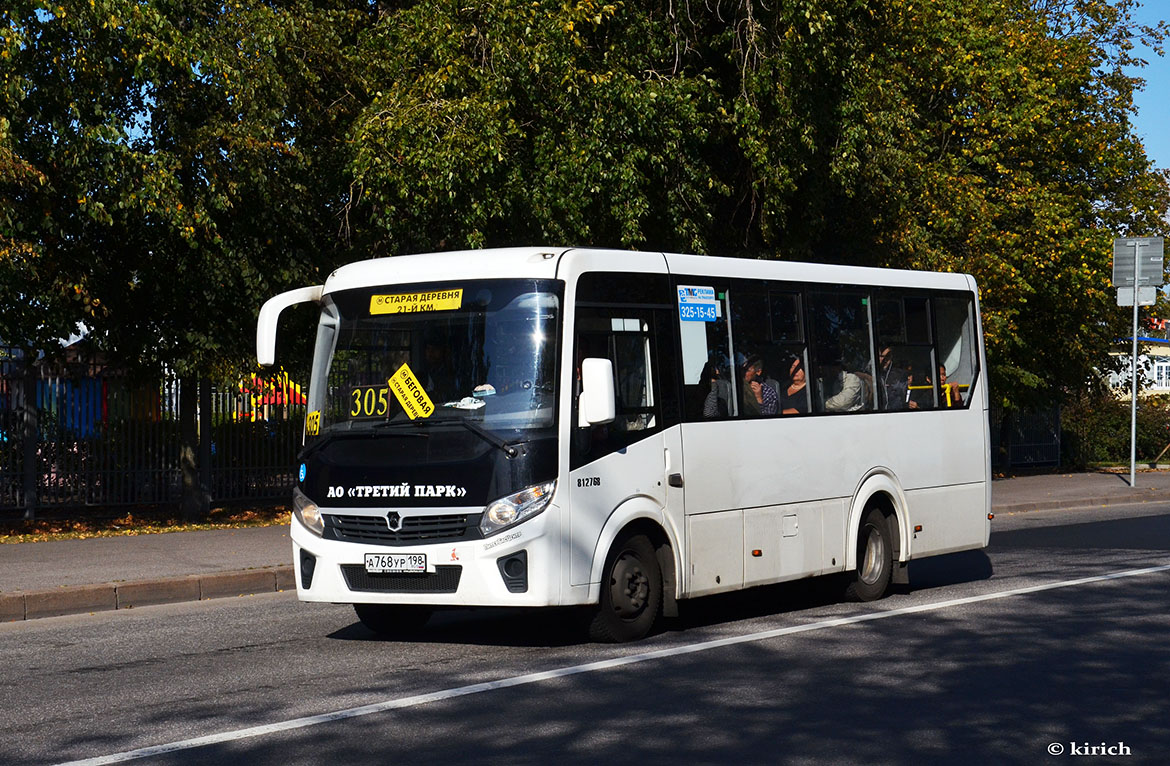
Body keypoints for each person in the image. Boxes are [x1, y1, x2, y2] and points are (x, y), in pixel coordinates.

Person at [877, 346, 910, 410]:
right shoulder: (871, 373)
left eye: (887, 356)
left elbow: (903, 396)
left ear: (891, 357)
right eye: (881, 356)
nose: (884, 359)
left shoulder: (900, 374)